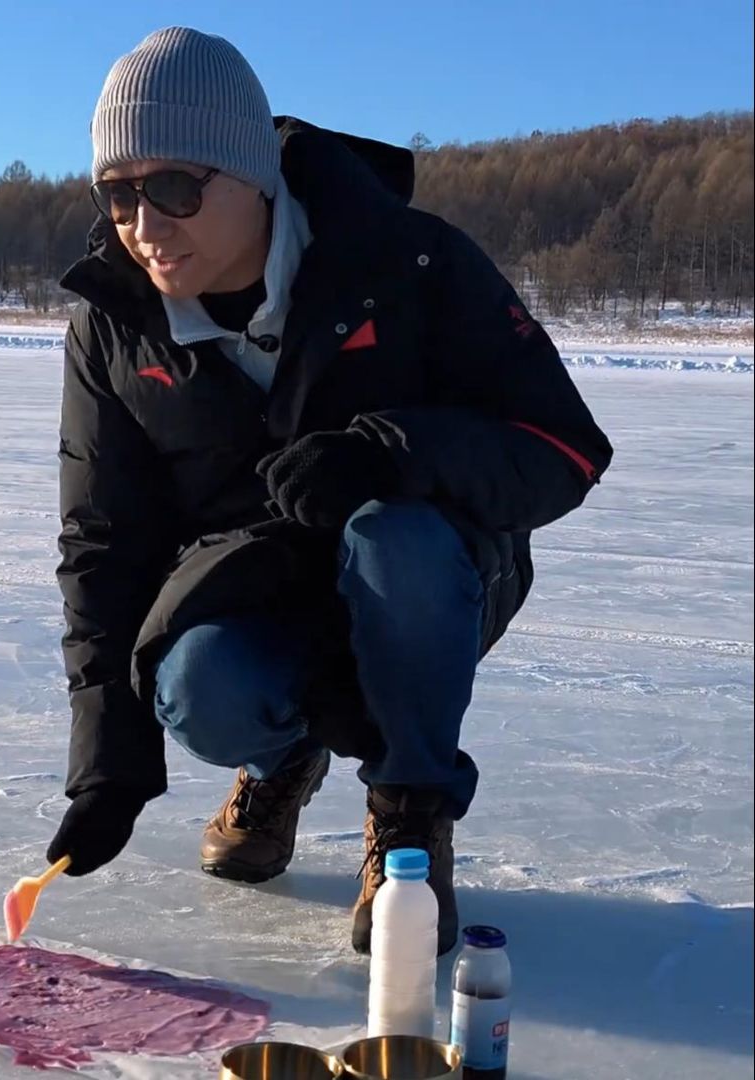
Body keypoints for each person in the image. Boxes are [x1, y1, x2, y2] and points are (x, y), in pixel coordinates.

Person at [42, 27, 613, 957]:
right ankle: (279, 761)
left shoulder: (410, 262)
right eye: (118, 194)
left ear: (254, 173)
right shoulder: (113, 328)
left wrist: (391, 453)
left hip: (431, 578)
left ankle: (409, 811)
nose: (144, 225)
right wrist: (107, 764)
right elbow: (105, 540)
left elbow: (564, 447)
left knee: (396, 537)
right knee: (196, 685)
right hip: (261, 587)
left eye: (176, 187)